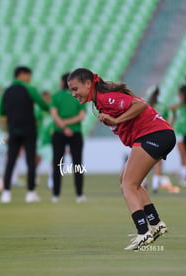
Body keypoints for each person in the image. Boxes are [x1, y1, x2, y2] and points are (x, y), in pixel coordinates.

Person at [67, 68, 175, 250]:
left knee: (128, 184)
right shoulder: (101, 100)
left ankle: (143, 233)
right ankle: (155, 223)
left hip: (154, 135)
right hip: (158, 134)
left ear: (88, 84)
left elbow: (140, 105)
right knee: (127, 180)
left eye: (75, 89)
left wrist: (117, 120)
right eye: (71, 90)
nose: (73, 94)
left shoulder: (104, 97)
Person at [0, 66, 50, 203]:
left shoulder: (7, 91)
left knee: (10, 161)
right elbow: (43, 105)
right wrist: (53, 109)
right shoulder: (29, 89)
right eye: (28, 75)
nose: (29, 79)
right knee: (30, 162)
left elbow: (1, 112)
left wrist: (5, 131)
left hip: (13, 131)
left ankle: (6, 193)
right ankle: (30, 193)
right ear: (22, 74)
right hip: (29, 130)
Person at [50, 73, 86, 203]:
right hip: (75, 132)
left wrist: (63, 126)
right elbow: (81, 116)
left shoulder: (56, 96)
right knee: (78, 164)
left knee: (57, 164)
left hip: (59, 132)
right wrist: (70, 125)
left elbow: (54, 115)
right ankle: (79, 194)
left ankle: (55, 194)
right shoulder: (78, 96)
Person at [146, 86, 170, 193]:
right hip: (149, 135)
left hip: (155, 136)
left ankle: (154, 186)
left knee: (156, 161)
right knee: (147, 162)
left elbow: (167, 121)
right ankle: (146, 183)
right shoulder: (145, 106)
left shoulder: (146, 106)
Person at [170, 85, 186, 185]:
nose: (179, 96)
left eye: (180, 94)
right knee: (182, 154)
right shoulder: (179, 106)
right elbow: (173, 115)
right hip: (178, 132)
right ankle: (185, 175)